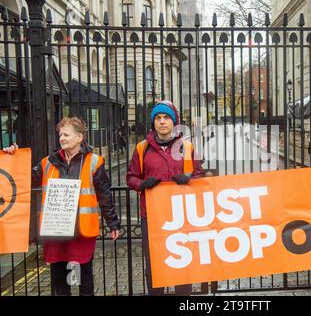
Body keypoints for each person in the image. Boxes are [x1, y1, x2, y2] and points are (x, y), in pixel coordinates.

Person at [3, 117, 120, 296]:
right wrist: (14, 157)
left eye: (66, 134)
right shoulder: (47, 162)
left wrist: (113, 223)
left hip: (81, 229)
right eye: (60, 134)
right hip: (55, 229)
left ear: (80, 137)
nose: (62, 138)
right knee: (59, 277)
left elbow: (104, 195)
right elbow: (23, 179)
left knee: (83, 275)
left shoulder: (94, 162)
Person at [126, 100, 204, 296]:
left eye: (167, 117)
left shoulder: (187, 147)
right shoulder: (142, 148)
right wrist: (141, 184)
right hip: (152, 215)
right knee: (154, 265)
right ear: (153, 123)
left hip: (182, 215)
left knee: (182, 265)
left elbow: (199, 175)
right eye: (158, 118)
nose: (162, 122)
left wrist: (188, 179)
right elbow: (131, 177)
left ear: (174, 122)